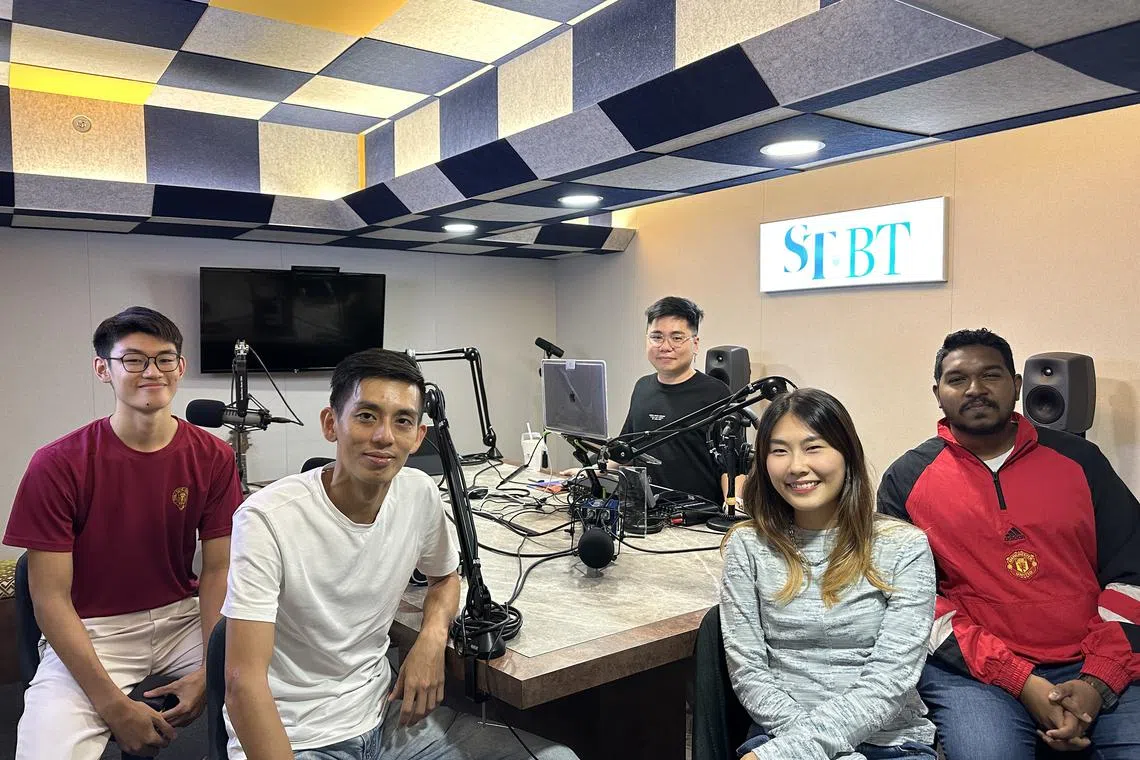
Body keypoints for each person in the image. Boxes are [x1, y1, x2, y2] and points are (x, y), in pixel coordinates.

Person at [222, 348, 578, 760]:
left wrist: (431, 638)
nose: (384, 437)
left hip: (387, 716)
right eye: (367, 416)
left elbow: (445, 578)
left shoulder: (418, 492)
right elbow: (242, 682)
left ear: (419, 436)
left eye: (402, 421)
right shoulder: (267, 518)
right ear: (330, 424)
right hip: (298, 735)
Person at [878, 328, 1140, 759]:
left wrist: (1098, 680)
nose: (976, 389)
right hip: (975, 675)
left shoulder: (1081, 462)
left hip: (1093, 659)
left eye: (991, 376)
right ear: (938, 393)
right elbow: (913, 604)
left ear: (1017, 386)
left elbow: (1132, 577)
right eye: (958, 379)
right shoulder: (905, 479)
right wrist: (1019, 679)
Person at [4, 306, 242, 758]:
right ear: (103, 370)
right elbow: (49, 599)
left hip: (182, 619)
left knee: (279, 690)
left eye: (164, 359)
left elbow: (219, 571)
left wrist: (213, 671)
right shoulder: (58, 464)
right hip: (93, 628)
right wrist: (114, 706)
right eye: (133, 360)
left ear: (180, 366)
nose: (152, 371)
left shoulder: (212, 456)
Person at [720, 388, 937, 760]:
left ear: (846, 453)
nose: (796, 466)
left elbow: (890, 680)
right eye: (778, 450)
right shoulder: (747, 546)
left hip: (889, 741)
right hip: (781, 734)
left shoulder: (904, 547)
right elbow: (749, 672)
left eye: (814, 447)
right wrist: (808, 750)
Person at [616, 296, 735, 507]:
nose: (665, 346)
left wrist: (733, 509)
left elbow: (732, 465)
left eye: (677, 338)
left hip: (697, 518)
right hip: (646, 516)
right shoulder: (642, 387)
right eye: (656, 337)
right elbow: (625, 450)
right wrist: (590, 474)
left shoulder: (716, 393)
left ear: (695, 343)